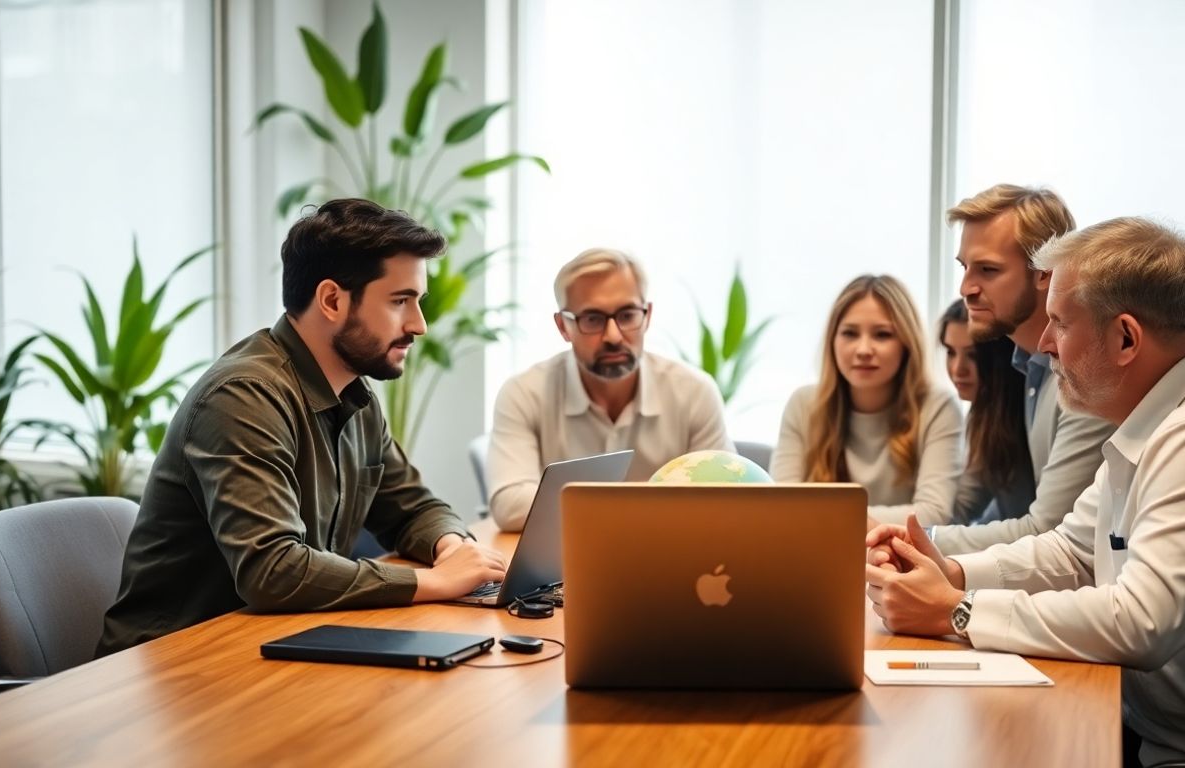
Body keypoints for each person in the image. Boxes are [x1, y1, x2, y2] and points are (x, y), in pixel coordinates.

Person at [865, 217, 1185, 765]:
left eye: (1060, 323)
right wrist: (956, 574)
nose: (1043, 345)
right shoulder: (1162, 420)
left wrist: (958, 612)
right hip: (1165, 738)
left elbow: (1141, 624)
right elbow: (1071, 550)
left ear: (1126, 338)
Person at [97, 199, 508, 656]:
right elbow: (273, 571)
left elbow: (412, 509)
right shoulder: (243, 398)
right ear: (332, 300)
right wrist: (429, 581)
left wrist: (451, 549)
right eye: (400, 301)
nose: (419, 325)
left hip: (274, 646)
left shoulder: (355, 396)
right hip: (171, 670)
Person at [486, 248, 731, 531]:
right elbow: (510, 504)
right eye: (593, 319)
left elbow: (723, 495)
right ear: (563, 326)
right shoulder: (525, 393)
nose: (613, 336)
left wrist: (591, 501)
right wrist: (656, 497)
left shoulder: (694, 392)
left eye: (627, 315)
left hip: (672, 558)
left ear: (647, 316)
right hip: (568, 565)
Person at [930, 184, 1114, 555]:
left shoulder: (1087, 374)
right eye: (965, 268)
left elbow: (1048, 530)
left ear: (1045, 272)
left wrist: (920, 539)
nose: (966, 288)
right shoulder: (1029, 368)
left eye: (988, 270)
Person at [771, 275, 962, 525]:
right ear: (832, 340)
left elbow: (933, 514)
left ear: (907, 343)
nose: (863, 350)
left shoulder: (938, 406)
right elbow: (780, 507)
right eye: (850, 333)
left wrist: (820, 516)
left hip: (901, 559)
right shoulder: (803, 404)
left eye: (882, 335)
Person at [937, 300, 1037, 525]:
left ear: (999, 357)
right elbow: (963, 506)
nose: (957, 369)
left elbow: (1034, 524)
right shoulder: (988, 415)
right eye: (951, 352)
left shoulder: (1021, 414)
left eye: (972, 355)